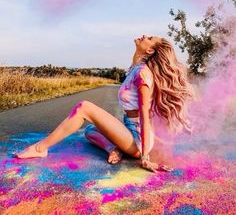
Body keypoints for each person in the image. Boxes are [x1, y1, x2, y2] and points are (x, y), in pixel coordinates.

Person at [16, 35, 194, 173]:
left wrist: (145, 158)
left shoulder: (143, 75)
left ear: (149, 51)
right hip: (129, 131)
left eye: (149, 39)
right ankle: (114, 148)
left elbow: (145, 116)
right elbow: (135, 62)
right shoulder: (136, 68)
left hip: (138, 140)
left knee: (83, 108)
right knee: (89, 130)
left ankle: (41, 148)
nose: (145, 35)